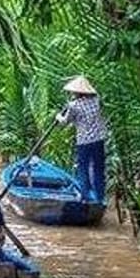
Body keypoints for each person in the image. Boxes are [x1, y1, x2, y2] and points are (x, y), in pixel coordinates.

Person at [55, 75, 109, 203]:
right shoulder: (96, 101)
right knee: (98, 169)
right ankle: (99, 197)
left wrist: (58, 117)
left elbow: (65, 122)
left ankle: (85, 196)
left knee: (83, 168)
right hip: (99, 139)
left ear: (77, 92)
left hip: (84, 141)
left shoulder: (74, 105)